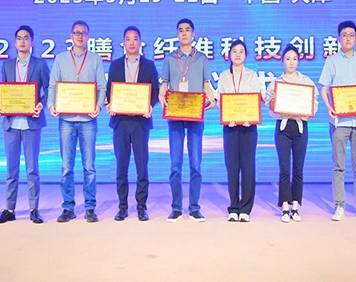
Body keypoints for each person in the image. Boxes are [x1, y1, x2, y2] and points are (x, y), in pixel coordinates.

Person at [319, 20, 356, 221]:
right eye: (344, 35)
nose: (348, 38)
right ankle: (339, 205)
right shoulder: (332, 61)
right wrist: (329, 107)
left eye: (351, 35)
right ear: (338, 38)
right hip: (340, 122)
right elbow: (324, 89)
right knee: (339, 166)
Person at [48, 21, 106, 223]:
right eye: (76, 33)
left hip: (88, 120)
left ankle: (90, 207)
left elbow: (102, 86)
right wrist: (51, 105)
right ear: (71, 35)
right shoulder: (61, 58)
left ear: (88, 36)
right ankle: (68, 207)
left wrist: (99, 105)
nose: (80, 36)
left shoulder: (95, 59)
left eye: (84, 33)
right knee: (66, 167)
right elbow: (53, 85)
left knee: (89, 167)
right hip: (66, 120)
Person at [159, 18, 216, 222]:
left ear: (193, 34)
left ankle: (194, 207)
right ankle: (176, 208)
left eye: (187, 30)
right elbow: (164, 84)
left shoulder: (201, 58)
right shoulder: (169, 58)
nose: (184, 33)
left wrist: (212, 99)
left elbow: (206, 83)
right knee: (175, 164)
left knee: (195, 163)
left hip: (194, 115)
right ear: (177, 34)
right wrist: (161, 97)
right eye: (180, 30)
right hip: (175, 115)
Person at [0, 25, 50, 225]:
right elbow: (4, 91)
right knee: (11, 169)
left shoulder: (40, 64)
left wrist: (41, 104)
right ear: (15, 42)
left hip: (32, 122)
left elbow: (49, 88)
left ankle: (34, 209)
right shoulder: (7, 65)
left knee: (32, 169)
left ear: (32, 42)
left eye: (26, 38)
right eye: (19, 38)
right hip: (11, 123)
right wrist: (0, 105)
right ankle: (9, 209)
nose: (22, 41)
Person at [106, 26, 159, 222]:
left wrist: (150, 105)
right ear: (123, 42)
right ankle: (122, 207)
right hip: (120, 122)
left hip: (140, 122)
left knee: (141, 166)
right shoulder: (115, 65)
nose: (131, 42)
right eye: (128, 39)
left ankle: (141, 206)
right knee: (121, 166)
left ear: (140, 42)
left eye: (135, 39)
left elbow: (155, 91)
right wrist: (110, 104)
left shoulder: (149, 65)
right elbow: (109, 90)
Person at [265, 45, 318, 223]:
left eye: (294, 59)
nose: (291, 62)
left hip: (301, 127)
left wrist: (305, 111)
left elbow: (314, 106)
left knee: (298, 169)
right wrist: (274, 103)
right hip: (283, 127)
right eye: (287, 59)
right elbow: (269, 108)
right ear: (282, 61)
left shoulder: (307, 82)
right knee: (284, 169)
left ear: (298, 60)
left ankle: (295, 206)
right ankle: (285, 207)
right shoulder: (276, 83)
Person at [216, 39, 263, 223]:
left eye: (241, 51)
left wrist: (249, 116)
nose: (237, 54)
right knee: (232, 167)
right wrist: (228, 116)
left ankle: (245, 209)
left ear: (246, 55)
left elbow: (256, 99)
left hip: (249, 127)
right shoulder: (223, 76)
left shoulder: (252, 75)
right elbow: (220, 100)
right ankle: (234, 207)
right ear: (229, 54)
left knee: (248, 167)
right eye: (234, 51)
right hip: (230, 127)